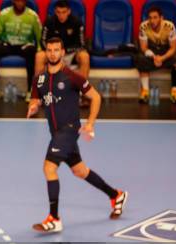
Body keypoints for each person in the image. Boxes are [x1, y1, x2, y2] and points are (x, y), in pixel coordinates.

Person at [27, 38, 127, 233]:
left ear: (63, 52)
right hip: (55, 133)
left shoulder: (72, 76)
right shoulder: (39, 78)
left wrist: (90, 123)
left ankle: (54, 218)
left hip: (69, 130)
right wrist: (34, 105)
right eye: (49, 50)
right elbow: (35, 99)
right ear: (46, 52)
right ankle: (116, 195)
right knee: (80, 171)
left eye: (57, 50)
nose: (53, 53)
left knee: (49, 168)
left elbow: (95, 97)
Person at [0, 0, 42, 102]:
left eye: (22, 1)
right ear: (13, 1)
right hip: (8, 45)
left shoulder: (33, 16)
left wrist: (40, 52)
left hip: (24, 46)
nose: (20, 3)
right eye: (17, 1)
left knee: (32, 52)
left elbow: (39, 37)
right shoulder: (4, 14)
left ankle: (30, 91)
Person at [136, 6, 176, 104]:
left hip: (166, 51)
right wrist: (154, 57)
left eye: (155, 17)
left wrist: (162, 58)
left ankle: (175, 91)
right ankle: (145, 91)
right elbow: (143, 47)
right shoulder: (143, 26)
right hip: (152, 51)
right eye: (150, 17)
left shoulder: (170, 26)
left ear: (161, 18)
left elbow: (173, 47)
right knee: (140, 58)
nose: (152, 20)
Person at [35, 0, 88, 78]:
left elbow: (82, 44)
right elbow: (43, 41)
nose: (61, 15)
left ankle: (83, 88)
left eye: (64, 12)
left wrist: (65, 51)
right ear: (55, 12)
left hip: (71, 53)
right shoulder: (49, 22)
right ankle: (38, 88)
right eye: (58, 12)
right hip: (53, 52)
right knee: (39, 56)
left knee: (84, 56)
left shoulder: (77, 22)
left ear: (69, 11)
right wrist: (53, 51)